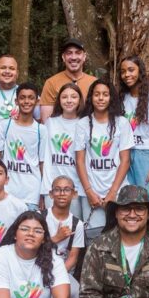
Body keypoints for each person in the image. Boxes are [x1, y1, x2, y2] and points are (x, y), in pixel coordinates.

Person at [74, 78, 133, 231]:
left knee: (119, 233)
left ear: (111, 98)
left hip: (117, 189)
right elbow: (79, 161)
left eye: (105, 94)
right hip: (91, 191)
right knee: (94, 235)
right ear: (91, 98)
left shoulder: (122, 123)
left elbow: (125, 160)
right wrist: (89, 192)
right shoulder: (83, 123)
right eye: (96, 94)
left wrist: (113, 192)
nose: (101, 98)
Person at [116, 55, 149, 203]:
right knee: (126, 198)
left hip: (144, 154)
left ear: (140, 72)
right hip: (123, 153)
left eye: (131, 70)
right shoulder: (121, 98)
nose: (127, 75)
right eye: (123, 71)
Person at [0, 82, 44, 209]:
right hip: (7, 191)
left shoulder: (41, 130)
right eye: (22, 97)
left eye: (31, 98)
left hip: (31, 193)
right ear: (16, 101)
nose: (26, 101)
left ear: (37, 101)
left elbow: (42, 163)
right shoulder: (4, 126)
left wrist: (42, 194)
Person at [41, 82, 85, 218]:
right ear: (59, 100)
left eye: (74, 97)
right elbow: (43, 156)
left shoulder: (84, 123)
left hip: (76, 186)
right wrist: (44, 187)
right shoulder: (50, 122)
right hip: (52, 185)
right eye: (64, 97)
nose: (69, 100)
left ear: (80, 100)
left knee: (75, 226)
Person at [45, 176, 85, 298]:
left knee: (75, 293)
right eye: (57, 190)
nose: (62, 194)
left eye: (67, 190)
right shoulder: (41, 217)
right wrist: (57, 238)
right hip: (38, 268)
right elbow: (32, 248)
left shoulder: (77, 224)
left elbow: (73, 257)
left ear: (74, 194)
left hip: (62, 270)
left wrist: (57, 274)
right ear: (51, 194)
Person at [40, 38, 97, 122]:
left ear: (84, 57)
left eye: (78, 53)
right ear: (63, 57)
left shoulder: (94, 83)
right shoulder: (51, 83)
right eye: (69, 53)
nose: (73, 57)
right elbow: (47, 121)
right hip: (61, 133)